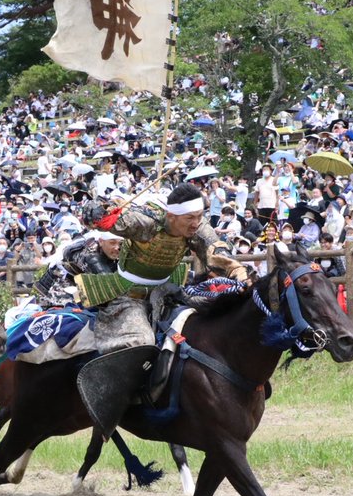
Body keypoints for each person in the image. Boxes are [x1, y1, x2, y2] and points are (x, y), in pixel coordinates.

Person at [79, 184, 248, 439]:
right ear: (171, 216)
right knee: (142, 342)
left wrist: (236, 269)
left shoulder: (197, 227)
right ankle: (117, 401)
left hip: (168, 292)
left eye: (199, 216)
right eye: (190, 218)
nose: (196, 223)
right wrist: (99, 214)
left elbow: (214, 248)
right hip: (128, 295)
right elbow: (116, 222)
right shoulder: (146, 221)